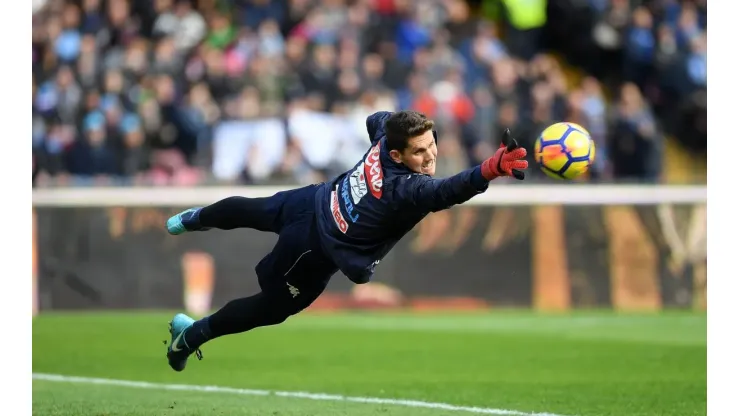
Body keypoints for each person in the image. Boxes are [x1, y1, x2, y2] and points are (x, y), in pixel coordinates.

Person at [163, 110, 528, 372]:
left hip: (312, 200)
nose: (431, 155)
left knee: (254, 210)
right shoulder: (405, 187)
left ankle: (192, 218)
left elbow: (376, 120)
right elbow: (450, 190)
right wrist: (491, 169)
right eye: (420, 152)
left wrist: (395, 126)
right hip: (314, 248)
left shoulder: (387, 137)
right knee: (272, 308)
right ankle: (192, 336)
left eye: (431, 144)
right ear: (398, 155)